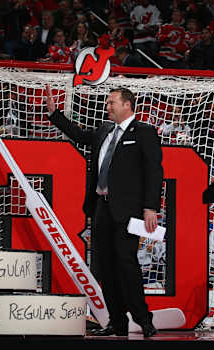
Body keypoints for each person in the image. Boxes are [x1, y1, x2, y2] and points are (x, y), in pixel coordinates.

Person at [45, 84, 162, 337]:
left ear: (127, 105)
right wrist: (55, 115)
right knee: (105, 266)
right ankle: (117, 322)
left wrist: (151, 207)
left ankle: (144, 319)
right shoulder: (104, 130)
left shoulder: (144, 132)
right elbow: (78, 135)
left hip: (128, 212)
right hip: (101, 208)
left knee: (125, 262)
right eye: (107, 103)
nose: (107, 107)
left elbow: (155, 171)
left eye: (111, 103)